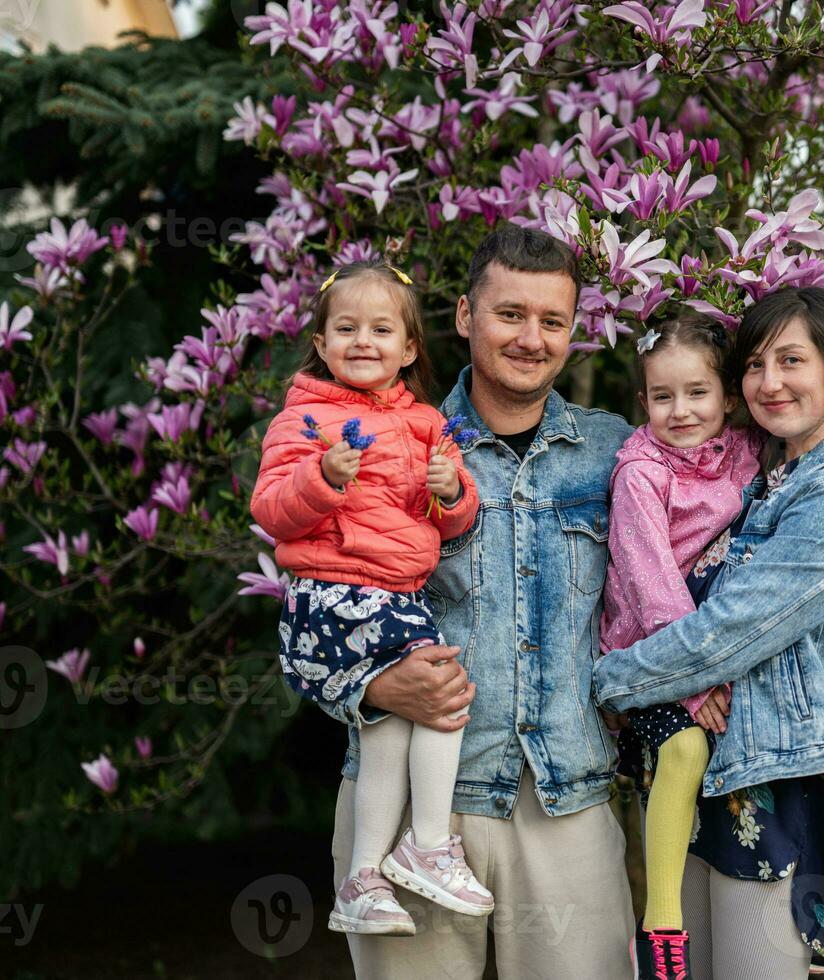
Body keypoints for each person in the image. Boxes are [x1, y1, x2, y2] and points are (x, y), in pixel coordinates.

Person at [327, 226, 638, 978]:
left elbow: (728, 493)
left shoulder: (618, 450)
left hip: (568, 796)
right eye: (510, 314)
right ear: (466, 317)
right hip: (409, 806)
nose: (531, 338)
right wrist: (364, 685)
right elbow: (312, 603)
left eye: (553, 321)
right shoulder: (384, 444)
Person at [595, 286, 824, 979]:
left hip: (775, 783)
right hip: (709, 768)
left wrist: (606, 682)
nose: (771, 383)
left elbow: (727, 637)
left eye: (792, 360)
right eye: (757, 364)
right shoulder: (766, 469)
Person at [251, 261, 493, 936]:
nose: (364, 341)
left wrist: (450, 491)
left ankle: (362, 880)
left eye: (382, 329)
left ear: (410, 348)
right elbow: (272, 511)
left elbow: (454, 522)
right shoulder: (304, 421)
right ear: (323, 345)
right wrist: (319, 478)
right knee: (446, 697)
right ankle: (427, 844)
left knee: (386, 727)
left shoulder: (424, 425)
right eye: (347, 328)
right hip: (335, 596)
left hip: (394, 599)